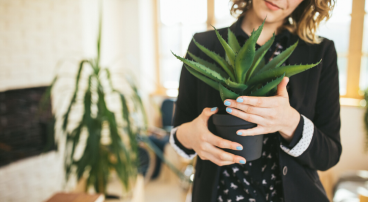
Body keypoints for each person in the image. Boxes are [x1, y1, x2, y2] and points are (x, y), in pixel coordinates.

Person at [169, 0, 341, 201]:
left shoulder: (320, 51)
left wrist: (290, 122)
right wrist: (189, 135)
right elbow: (178, 132)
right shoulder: (205, 44)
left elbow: (329, 154)